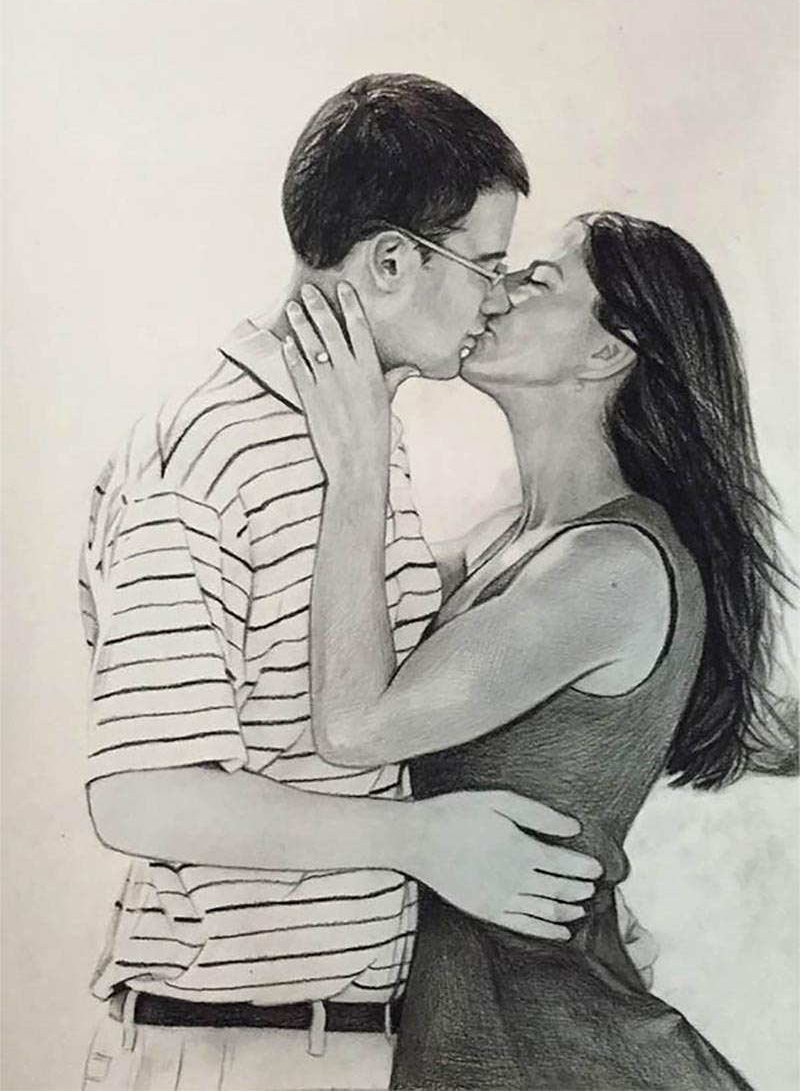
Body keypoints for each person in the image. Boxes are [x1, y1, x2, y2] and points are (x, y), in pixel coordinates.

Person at [80, 75, 632, 1091]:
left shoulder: (354, 437)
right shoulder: (211, 453)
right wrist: (419, 841)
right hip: (231, 1047)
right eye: (485, 265)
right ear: (390, 261)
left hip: (342, 1044)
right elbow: (137, 795)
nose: (497, 297)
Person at [283, 210, 792, 1089]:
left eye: (538, 282)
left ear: (605, 353)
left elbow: (356, 726)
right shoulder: (506, 542)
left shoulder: (612, 565)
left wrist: (359, 463)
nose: (496, 291)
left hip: (567, 1061)